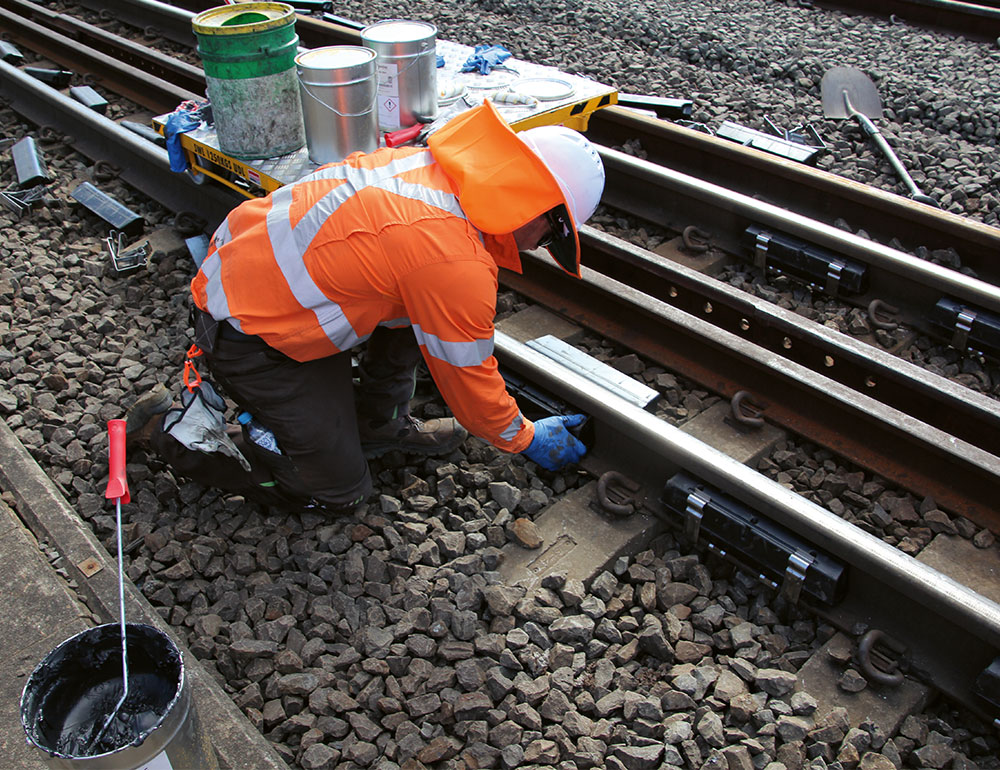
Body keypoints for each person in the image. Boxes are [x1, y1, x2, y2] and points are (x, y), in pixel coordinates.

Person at [126, 102, 606, 515]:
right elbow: (468, 379)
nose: (539, 247)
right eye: (549, 235)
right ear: (534, 208)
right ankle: (170, 435)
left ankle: (378, 422)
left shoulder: (428, 167)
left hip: (260, 284)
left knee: (417, 312)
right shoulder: (451, 257)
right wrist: (524, 437)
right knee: (338, 494)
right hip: (255, 339)